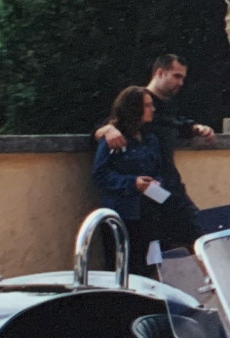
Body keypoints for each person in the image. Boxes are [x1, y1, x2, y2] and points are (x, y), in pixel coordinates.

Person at [96, 54, 216, 255]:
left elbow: (173, 124)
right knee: (151, 256)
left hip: (166, 192)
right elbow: (108, 127)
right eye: (177, 76)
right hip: (138, 205)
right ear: (160, 72)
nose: (181, 83)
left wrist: (195, 128)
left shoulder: (164, 113)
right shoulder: (134, 102)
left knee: (201, 241)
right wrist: (106, 130)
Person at [91, 86, 171, 277]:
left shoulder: (150, 139)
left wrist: (156, 184)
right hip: (122, 214)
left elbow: (159, 169)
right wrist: (132, 183)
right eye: (147, 106)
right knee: (121, 268)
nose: (153, 109)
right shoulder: (114, 139)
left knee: (148, 267)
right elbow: (100, 175)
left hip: (149, 212)